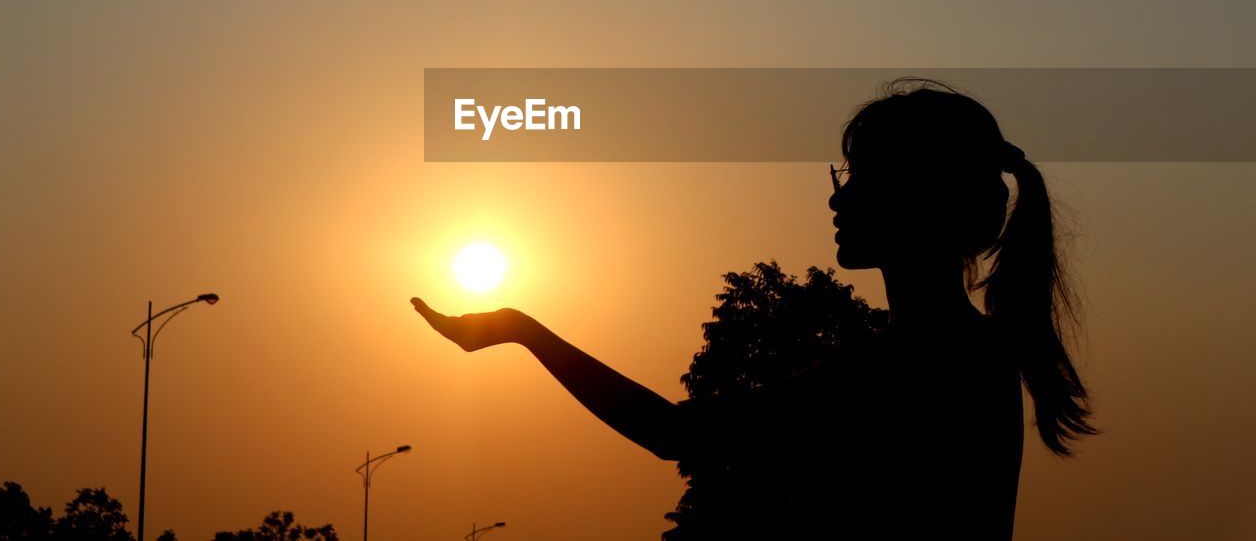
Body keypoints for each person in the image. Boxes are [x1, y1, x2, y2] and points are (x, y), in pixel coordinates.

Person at [412, 78, 1099, 539]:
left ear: (913, 195)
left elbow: (677, 435)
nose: (836, 198)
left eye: (858, 179)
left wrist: (522, 331)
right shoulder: (951, 352)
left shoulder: (917, 364)